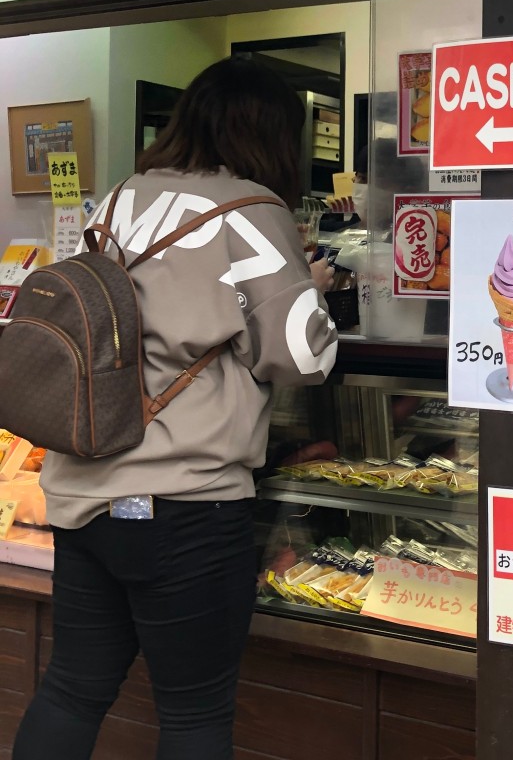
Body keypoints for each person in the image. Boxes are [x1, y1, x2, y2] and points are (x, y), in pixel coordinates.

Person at [13, 55, 339, 760]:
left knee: (71, 690)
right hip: (189, 507)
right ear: (273, 135)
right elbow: (303, 358)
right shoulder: (252, 210)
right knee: (193, 716)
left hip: (82, 495)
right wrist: (308, 288)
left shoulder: (114, 202)